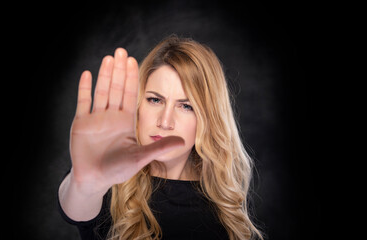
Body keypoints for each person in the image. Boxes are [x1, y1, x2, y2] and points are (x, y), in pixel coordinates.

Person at [58, 35, 263, 240]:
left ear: (208, 118)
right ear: (139, 105)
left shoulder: (229, 202)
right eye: (155, 100)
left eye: (186, 106)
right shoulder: (106, 181)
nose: (165, 122)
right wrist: (86, 186)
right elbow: (77, 202)